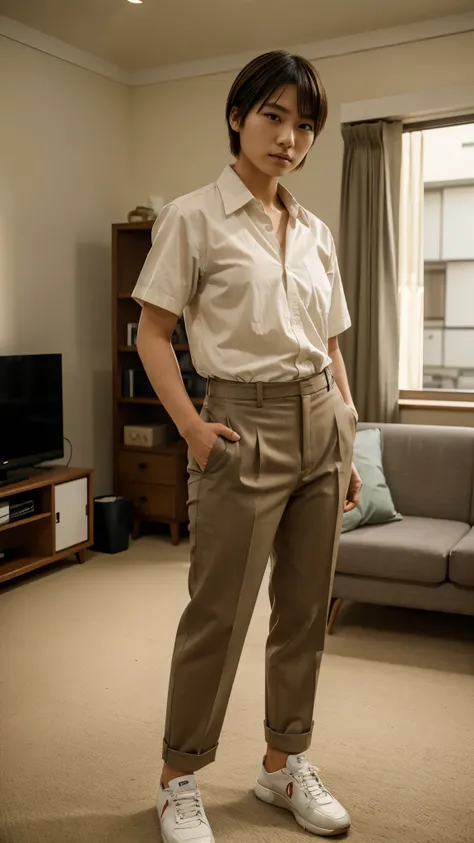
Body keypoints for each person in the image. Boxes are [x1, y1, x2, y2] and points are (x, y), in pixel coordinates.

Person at [133, 50, 362, 843]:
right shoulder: (193, 217)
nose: (288, 137)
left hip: (319, 425)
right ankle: (179, 777)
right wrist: (192, 428)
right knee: (218, 614)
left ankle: (280, 763)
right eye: (274, 116)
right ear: (238, 116)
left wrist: (347, 432)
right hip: (239, 423)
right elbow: (153, 332)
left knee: (303, 614)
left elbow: (329, 342)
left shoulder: (317, 232)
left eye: (304, 125)